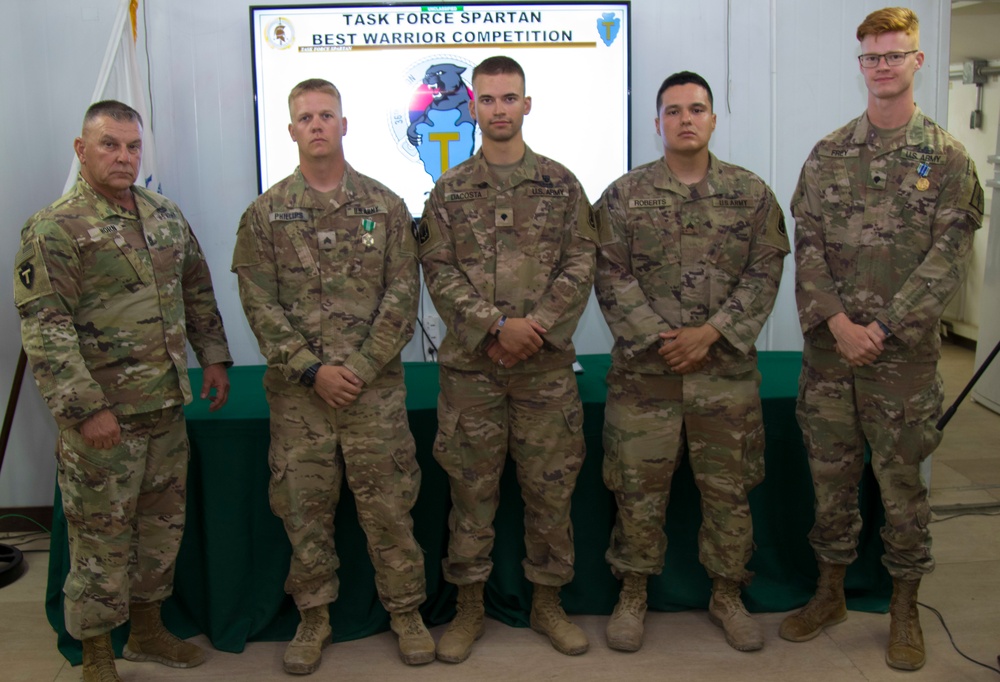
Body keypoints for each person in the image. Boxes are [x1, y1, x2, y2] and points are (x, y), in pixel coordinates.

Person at [780, 7, 983, 671]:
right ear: (860, 63)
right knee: (831, 485)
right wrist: (839, 323)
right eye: (871, 56)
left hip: (902, 366)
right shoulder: (829, 153)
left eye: (894, 55)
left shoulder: (948, 160)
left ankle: (903, 607)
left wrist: (885, 328)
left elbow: (947, 258)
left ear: (917, 61)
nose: (882, 66)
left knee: (903, 493)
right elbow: (805, 244)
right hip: (832, 358)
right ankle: (831, 592)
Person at [13, 100, 232, 682]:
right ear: (81, 150)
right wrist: (86, 411)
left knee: (161, 528)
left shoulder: (162, 214)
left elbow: (197, 290)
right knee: (100, 536)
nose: (124, 157)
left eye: (133, 146)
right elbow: (46, 329)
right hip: (104, 417)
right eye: (110, 144)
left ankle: (148, 628)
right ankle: (96, 652)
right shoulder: (54, 227)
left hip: (165, 405)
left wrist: (213, 359)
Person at [231, 78, 433, 674]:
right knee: (304, 511)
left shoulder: (386, 207)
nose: (317, 125)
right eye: (305, 117)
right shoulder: (265, 215)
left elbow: (403, 295)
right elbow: (258, 305)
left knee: (392, 509)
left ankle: (407, 612)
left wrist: (360, 368)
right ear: (291, 130)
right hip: (301, 401)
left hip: (374, 397)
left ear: (344, 125)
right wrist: (314, 371)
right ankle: (313, 617)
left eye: (327, 115)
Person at [593, 71, 789, 654]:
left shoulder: (751, 194)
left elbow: (766, 271)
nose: (685, 119)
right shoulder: (623, 196)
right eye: (673, 110)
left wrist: (710, 334)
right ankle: (633, 592)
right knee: (636, 491)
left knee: (728, 494)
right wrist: (662, 339)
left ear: (712, 119)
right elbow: (610, 275)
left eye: (696, 109)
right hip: (645, 381)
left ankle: (727, 593)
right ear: (657, 123)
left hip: (723, 377)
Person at [417, 55, 597, 662]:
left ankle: (548, 604)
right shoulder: (448, 191)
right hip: (474, 372)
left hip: (545, 371)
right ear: (474, 107)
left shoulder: (562, 184)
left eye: (509, 98)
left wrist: (536, 328)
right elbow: (437, 270)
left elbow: (581, 263)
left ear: (527, 104)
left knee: (551, 492)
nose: (498, 109)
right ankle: (469, 608)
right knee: (471, 493)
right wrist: (493, 326)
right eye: (488, 99)